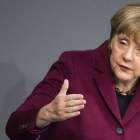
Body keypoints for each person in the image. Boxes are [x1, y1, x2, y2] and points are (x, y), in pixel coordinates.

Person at [6, 2, 140, 140]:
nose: (127, 56)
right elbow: (14, 128)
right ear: (112, 40)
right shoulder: (74, 66)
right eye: (123, 43)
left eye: (139, 50)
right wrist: (45, 114)